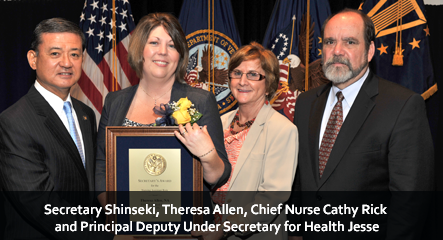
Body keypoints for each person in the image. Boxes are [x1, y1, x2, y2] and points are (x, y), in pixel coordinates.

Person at [293, 8, 434, 239]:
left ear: (369, 51)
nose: (337, 51)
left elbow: (411, 200)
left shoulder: (402, 106)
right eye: (330, 41)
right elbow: (300, 179)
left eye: (349, 42)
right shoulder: (306, 103)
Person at [0, 18, 120, 239]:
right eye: (55, 54)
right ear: (33, 59)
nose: (66, 63)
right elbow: (41, 205)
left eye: (75, 54)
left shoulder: (85, 114)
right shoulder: (13, 122)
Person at [95, 12, 231, 206]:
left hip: (184, 225)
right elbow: (102, 166)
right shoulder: (114, 101)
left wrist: (207, 155)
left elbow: (219, 176)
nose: (163, 52)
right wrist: (115, 215)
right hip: (128, 224)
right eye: (154, 43)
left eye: (172, 45)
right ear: (140, 48)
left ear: (180, 55)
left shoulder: (200, 100)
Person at [178, 42, 298, 240]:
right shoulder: (218, 122)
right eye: (237, 73)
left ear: (268, 84)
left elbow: (271, 198)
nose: (243, 81)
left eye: (253, 75)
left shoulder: (283, 130)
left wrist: (224, 228)